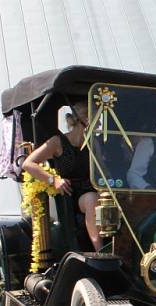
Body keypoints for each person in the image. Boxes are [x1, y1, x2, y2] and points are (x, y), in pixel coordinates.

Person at [22, 101, 102, 250]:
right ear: (84, 120)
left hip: (93, 188)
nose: (99, 125)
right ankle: (100, 250)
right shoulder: (57, 142)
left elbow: (102, 170)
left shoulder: (93, 143)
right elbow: (28, 164)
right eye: (97, 120)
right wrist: (54, 180)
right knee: (92, 199)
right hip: (69, 193)